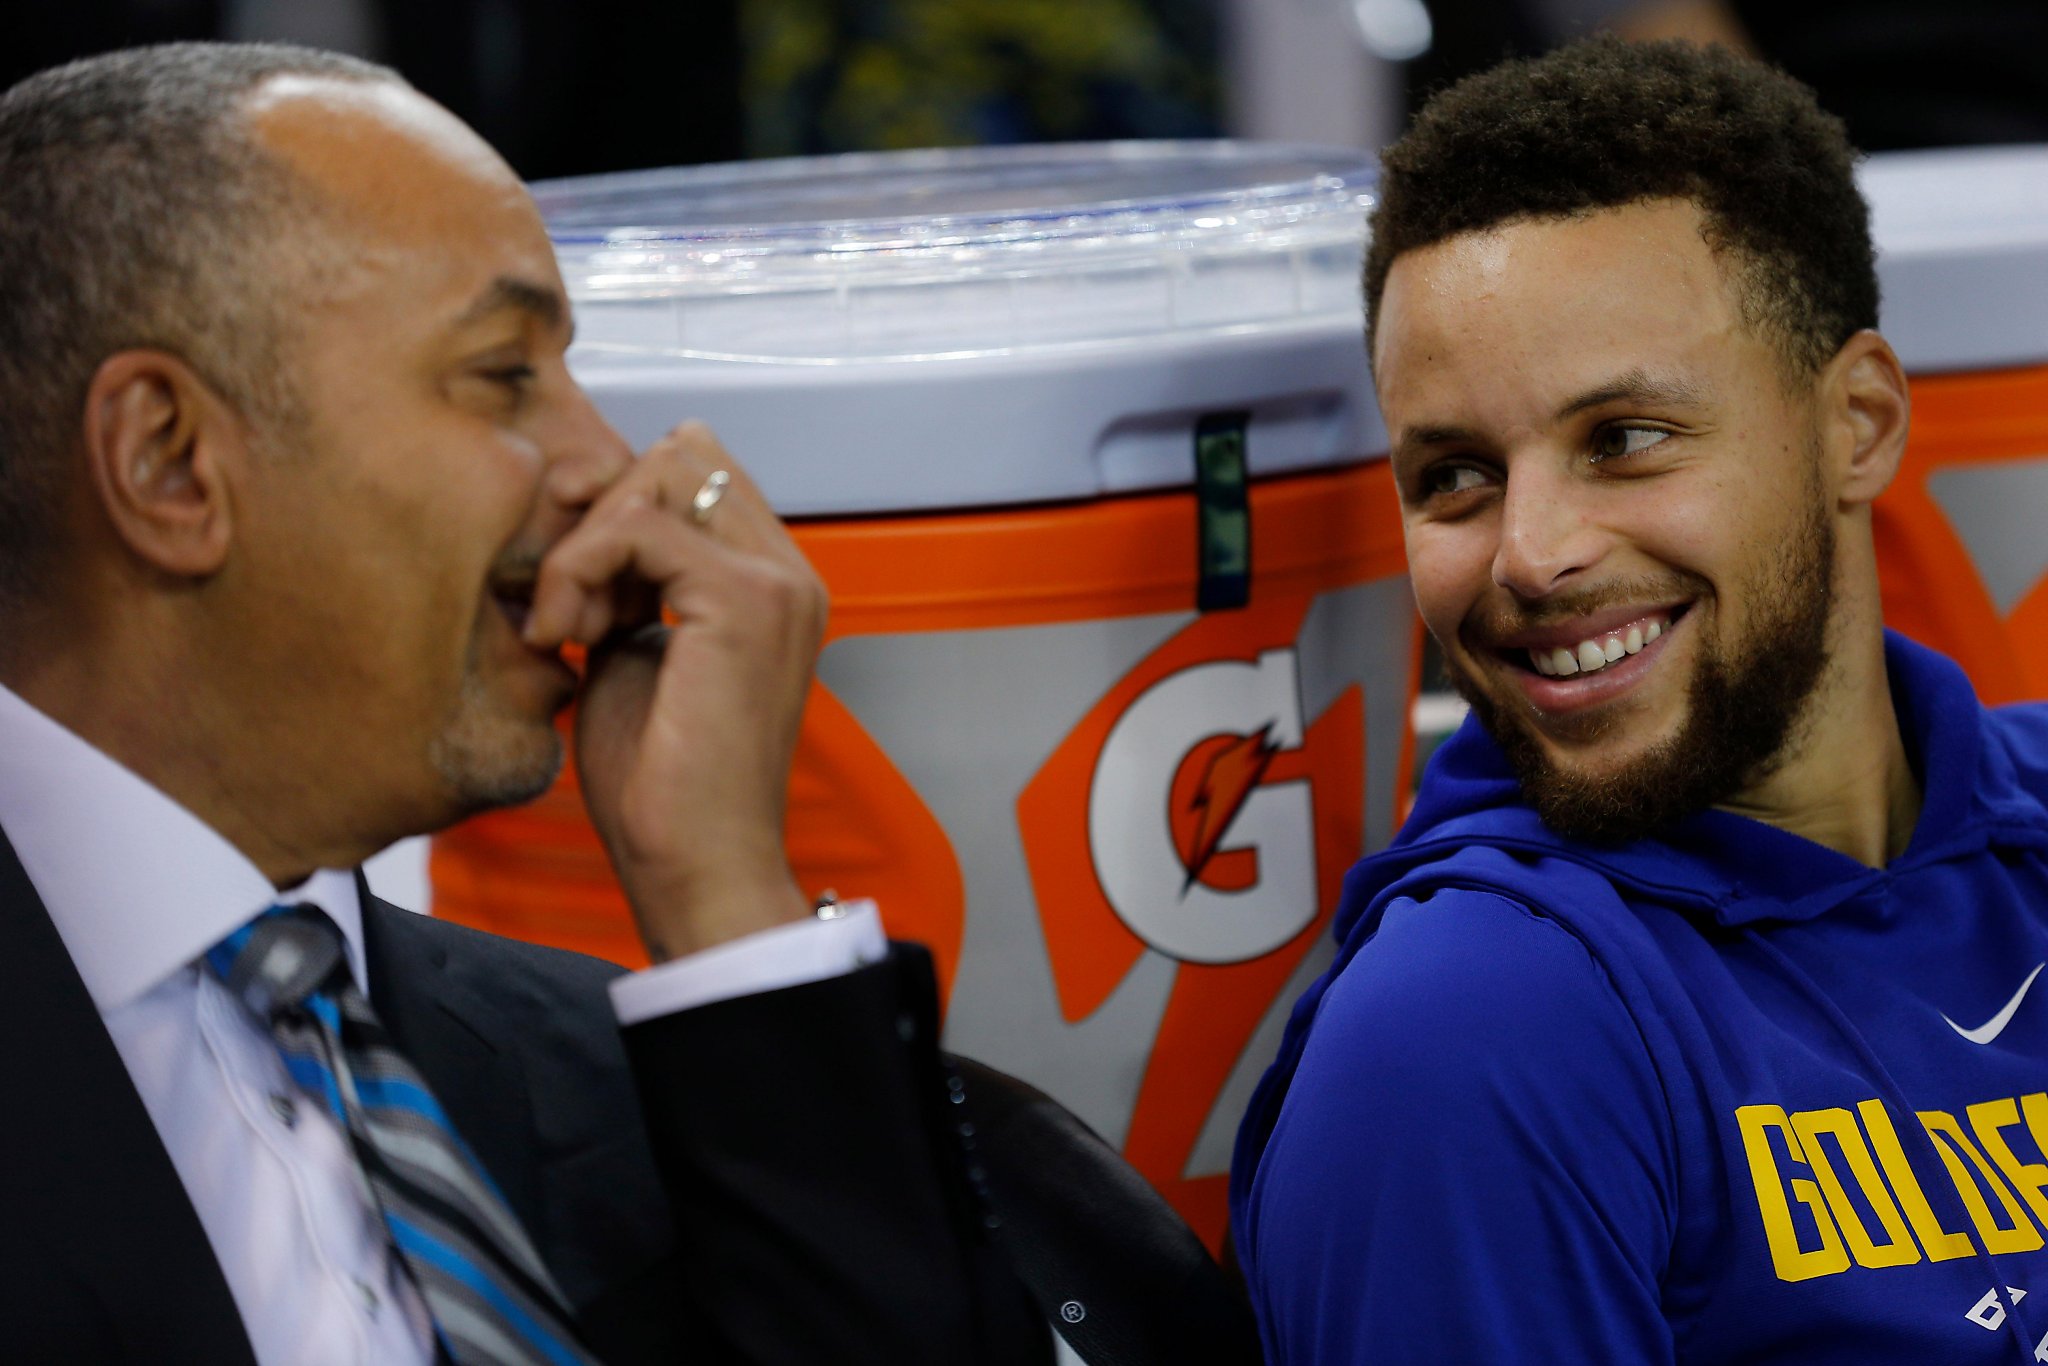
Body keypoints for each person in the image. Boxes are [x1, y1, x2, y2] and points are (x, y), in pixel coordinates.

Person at [0, 42, 1257, 1366]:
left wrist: (725, 903)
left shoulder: (653, 1068)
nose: (611, 463)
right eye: (503, 374)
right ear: (169, 461)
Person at [1230, 36, 2048, 1365]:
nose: (1530, 554)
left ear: (1859, 422)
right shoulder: (1471, 1037)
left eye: (1623, 438)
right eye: (1454, 474)